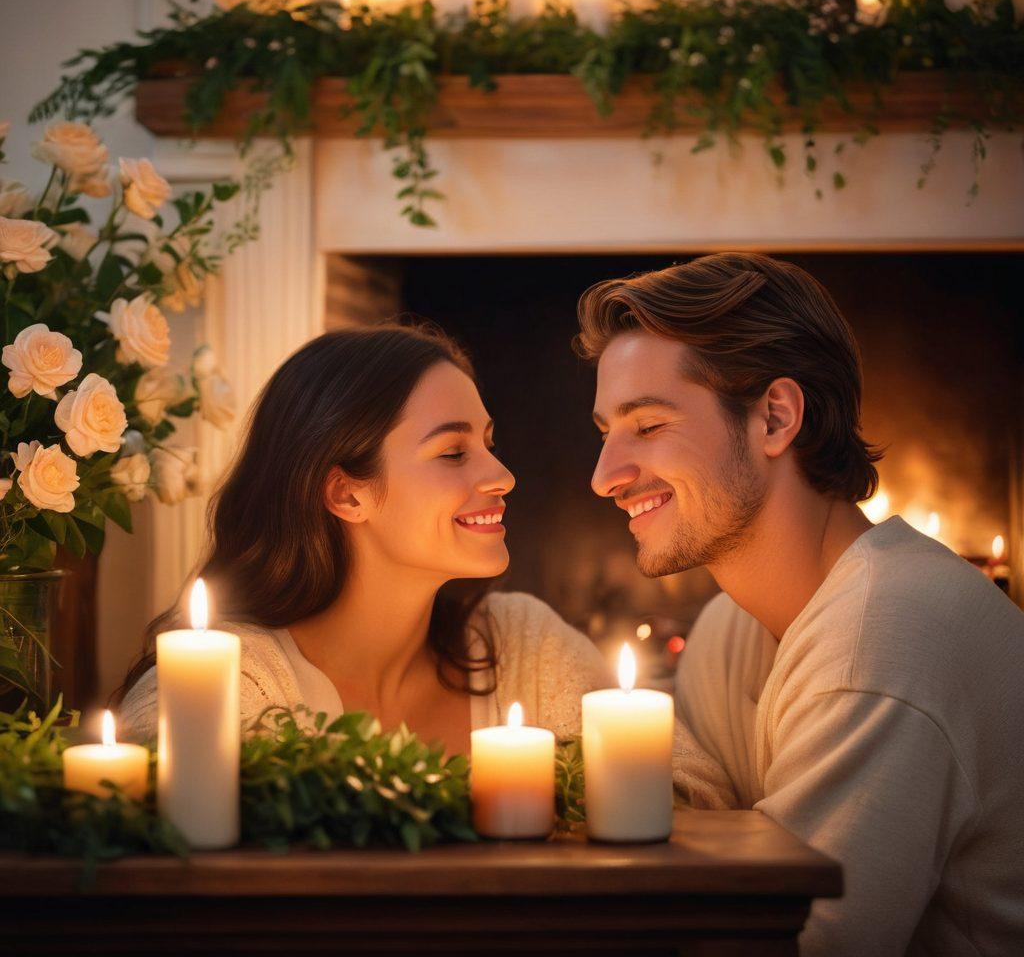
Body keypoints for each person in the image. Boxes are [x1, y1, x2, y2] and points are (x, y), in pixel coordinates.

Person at [575, 252, 1024, 956]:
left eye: (649, 425)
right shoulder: (733, 627)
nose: (606, 476)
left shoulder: (882, 641)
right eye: (606, 432)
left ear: (776, 418)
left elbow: (796, 944)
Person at [117, 323, 730, 806]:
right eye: (453, 452)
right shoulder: (224, 681)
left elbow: (696, 796)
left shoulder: (522, 642)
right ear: (346, 494)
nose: (502, 476)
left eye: (488, 444)